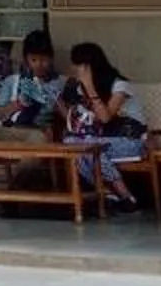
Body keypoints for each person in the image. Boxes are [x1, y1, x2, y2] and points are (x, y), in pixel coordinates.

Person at [61, 42, 147, 210]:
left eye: (78, 65)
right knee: (73, 145)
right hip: (103, 141)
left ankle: (121, 194)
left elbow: (105, 117)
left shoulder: (120, 86)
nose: (74, 69)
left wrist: (90, 87)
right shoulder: (80, 89)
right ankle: (111, 194)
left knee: (87, 149)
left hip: (130, 141)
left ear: (89, 67)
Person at [0, 30, 62, 131]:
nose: (39, 65)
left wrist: (54, 101)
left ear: (51, 59)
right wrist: (17, 105)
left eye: (43, 60)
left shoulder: (59, 82)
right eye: (34, 60)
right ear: (26, 60)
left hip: (42, 135)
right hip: (15, 135)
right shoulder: (12, 82)